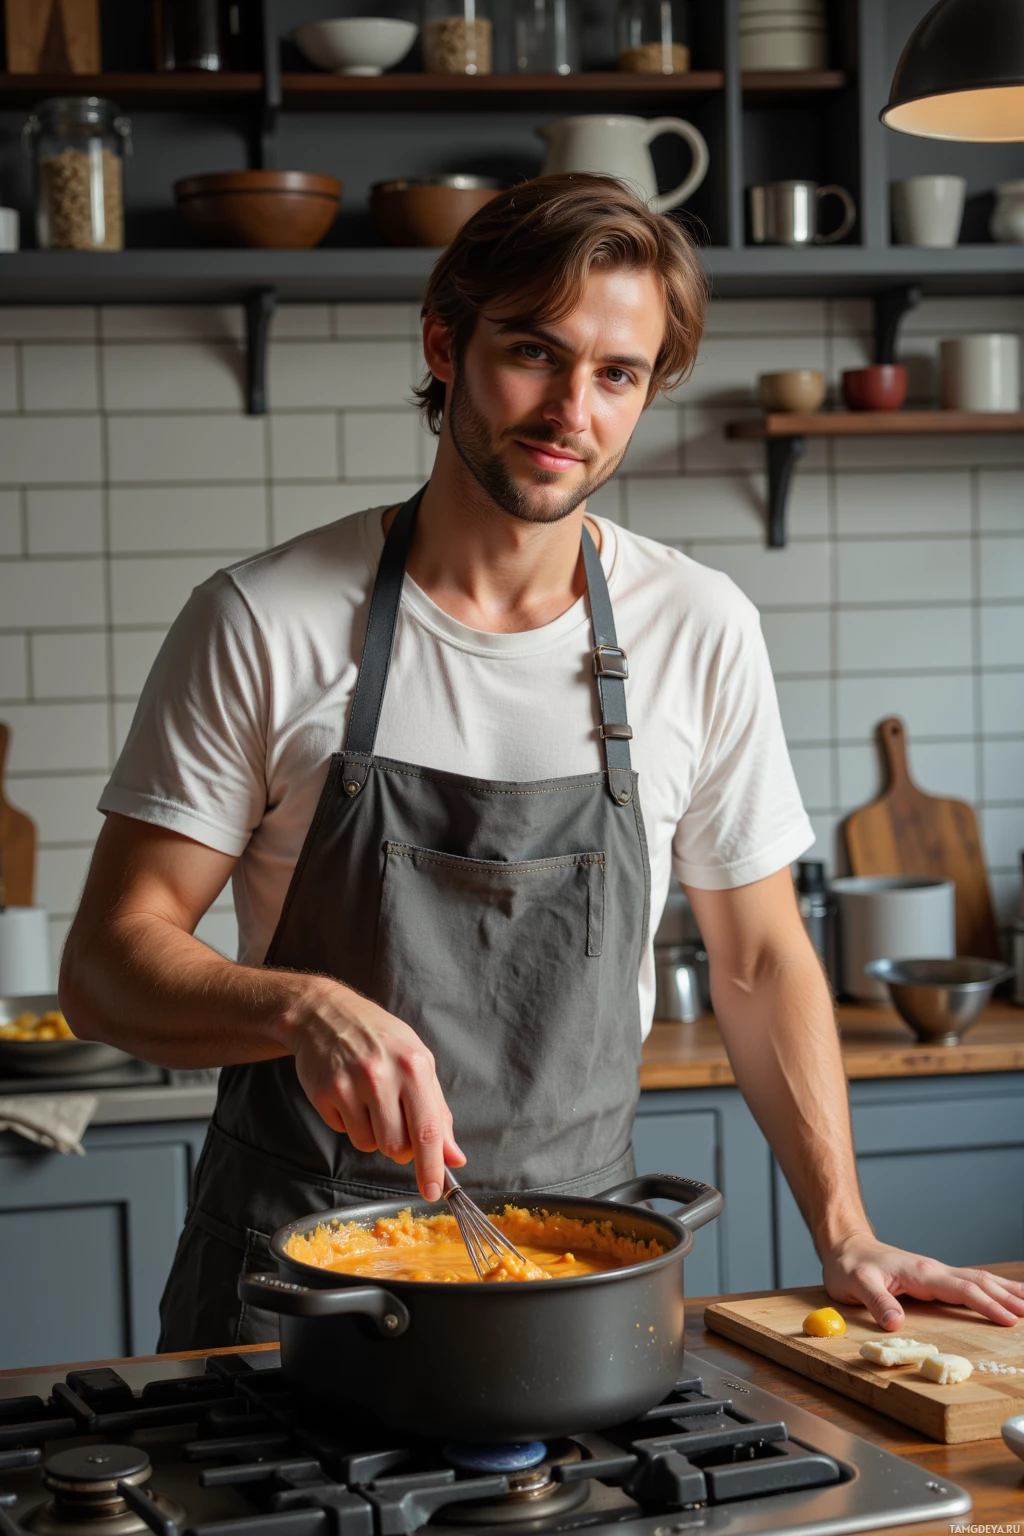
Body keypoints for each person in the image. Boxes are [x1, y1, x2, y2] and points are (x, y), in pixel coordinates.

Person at [60, 175, 1023, 1350]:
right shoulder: (265, 621)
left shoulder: (697, 626)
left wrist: (846, 1229)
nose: (573, 407)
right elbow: (107, 966)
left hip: (578, 1280)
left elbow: (765, 961)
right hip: (297, 1285)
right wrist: (299, 1008)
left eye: (617, 374)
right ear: (444, 344)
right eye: (533, 352)